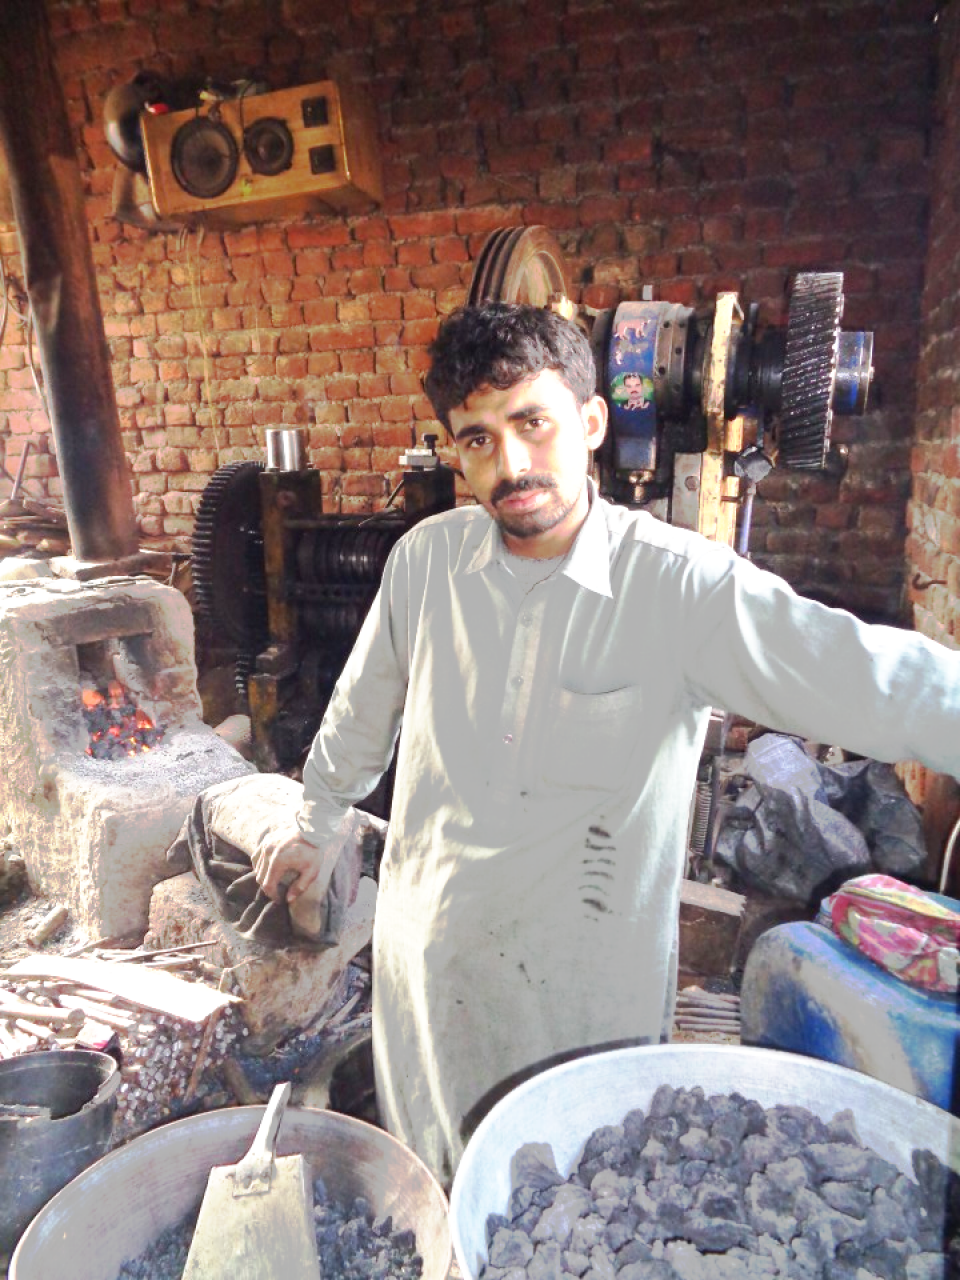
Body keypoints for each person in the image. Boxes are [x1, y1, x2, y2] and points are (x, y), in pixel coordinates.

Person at [255, 301, 960, 1186]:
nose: (509, 464)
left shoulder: (675, 586)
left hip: (580, 986)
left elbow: (861, 672)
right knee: (440, 1191)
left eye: (532, 423)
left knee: (578, 1201)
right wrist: (316, 824)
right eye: (477, 439)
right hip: (432, 963)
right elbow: (361, 711)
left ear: (590, 422)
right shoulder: (426, 564)